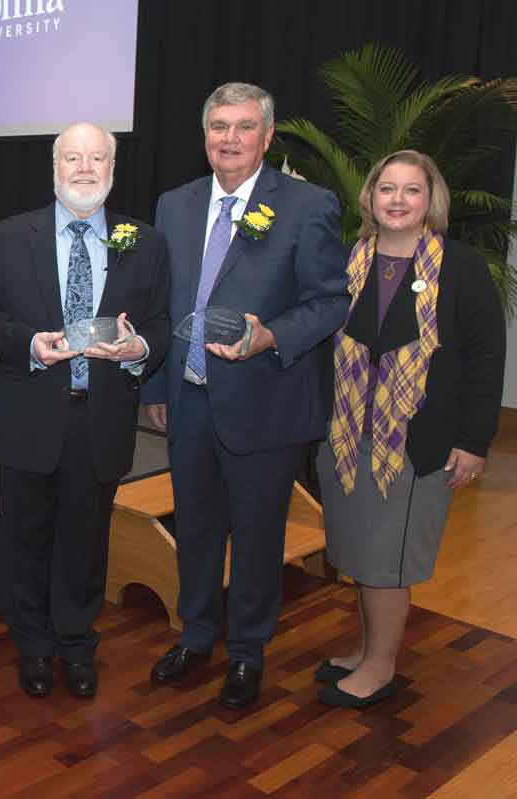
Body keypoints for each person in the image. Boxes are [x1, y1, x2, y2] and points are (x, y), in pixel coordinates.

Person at [142, 82, 349, 710]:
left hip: (266, 401)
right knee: (195, 527)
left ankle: (247, 652)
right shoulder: (174, 205)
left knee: (258, 537)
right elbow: (162, 304)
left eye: (244, 126)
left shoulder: (307, 205)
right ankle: (197, 634)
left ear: (267, 135)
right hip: (189, 400)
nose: (229, 139)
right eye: (219, 127)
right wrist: (158, 385)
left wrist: (271, 337)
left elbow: (330, 302)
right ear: (205, 135)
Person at [0, 122, 170, 699]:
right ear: (54, 167)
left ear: (113, 169)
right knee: (25, 540)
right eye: (73, 158)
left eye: (97, 158)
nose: (85, 169)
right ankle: (33, 646)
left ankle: (77, 645)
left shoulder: (145, 242)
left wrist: (139, 348)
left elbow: (159, 321)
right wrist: (30, 344)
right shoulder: (9, 236)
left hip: (100, 420)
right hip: (29, 414)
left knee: (85, 543)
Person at [314, 150, 505, 708]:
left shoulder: (461, 267)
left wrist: (473, 441)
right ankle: (367, 649)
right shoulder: (350, 261)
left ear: (430, 200)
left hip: (415, 443)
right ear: (370, 197)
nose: (397, 200)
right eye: (387, 188)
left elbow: (486, 358)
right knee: (360, 552)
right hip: (346, 436)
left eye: (411, 190)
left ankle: (381, 667)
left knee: (387, 562)